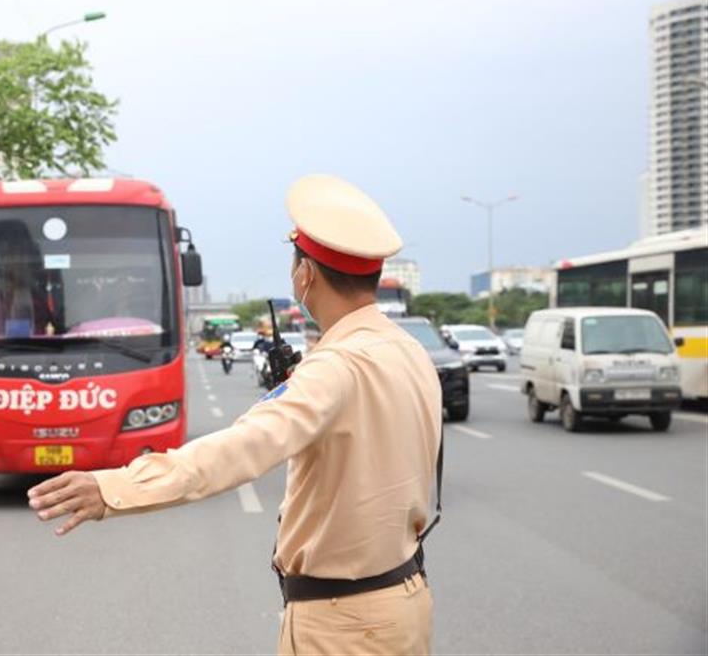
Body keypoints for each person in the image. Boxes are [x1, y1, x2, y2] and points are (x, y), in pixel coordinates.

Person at [27, 174, 443, 655]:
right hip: (403, 601)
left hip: (343, 626)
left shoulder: (335, 368)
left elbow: (239, 449)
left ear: (304, 274)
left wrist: (113, 488)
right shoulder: (408, 350)